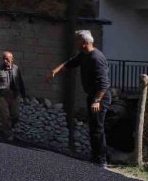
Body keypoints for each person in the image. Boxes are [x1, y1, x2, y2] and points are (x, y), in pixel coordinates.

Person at [47, 30, 111, 168]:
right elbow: (70, 63)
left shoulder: (96, 58)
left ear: (85, 43)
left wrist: (97, 100)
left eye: (77, 41)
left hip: (100, 97)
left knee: (98, 128)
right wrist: (54, 72)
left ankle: (102, 159)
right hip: (92, 96)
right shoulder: (84, 55)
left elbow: (104, 83)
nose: (75, 43)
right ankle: (95, 156)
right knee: (93, 127)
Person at [0, 52, 27, 141]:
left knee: (15, 116)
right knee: (5, 115)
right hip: (3, 96)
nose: (5, 61)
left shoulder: (16, 69)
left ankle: (8, 126)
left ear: (12, 59)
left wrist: (24, 96)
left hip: (14, 95)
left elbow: (21, 83)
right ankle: (8, 133)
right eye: (4, 59)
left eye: (7, 59)